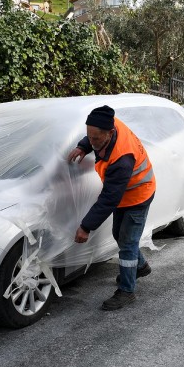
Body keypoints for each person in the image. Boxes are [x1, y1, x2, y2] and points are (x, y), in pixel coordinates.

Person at [68, 105, 155, 310]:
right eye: (90, 136)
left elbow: (108, 198)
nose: (93, 141)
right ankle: (140, 267)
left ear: (110, 133)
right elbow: (93, 135)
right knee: (119, 234)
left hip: (138, 195)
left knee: (127, 243)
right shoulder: (107, 122)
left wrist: (86, 226)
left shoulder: (122, 158)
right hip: (124, 195)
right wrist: (83, 146)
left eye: (97, 139)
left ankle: (126, 291)